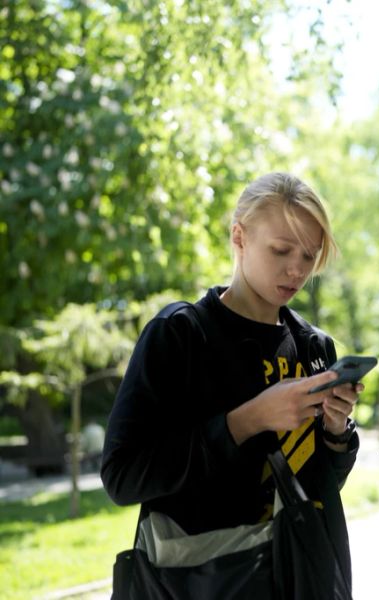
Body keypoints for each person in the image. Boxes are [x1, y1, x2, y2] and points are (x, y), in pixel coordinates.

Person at [101, 172, 360, 588]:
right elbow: (121, 477)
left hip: (301, 576)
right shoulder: (180, 334)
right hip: (205, 581)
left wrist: (335, 430)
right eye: (280, 250)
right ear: (238, 237)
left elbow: (320, 485)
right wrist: (246, 420)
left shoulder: (313, 347)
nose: (297, 269)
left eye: (309, 256)